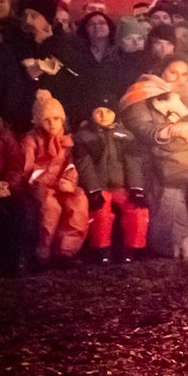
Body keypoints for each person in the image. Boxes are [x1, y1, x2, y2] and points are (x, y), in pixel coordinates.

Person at [120, 60, 188, 261]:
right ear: (161, 71)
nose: (179, 79)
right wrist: (173, 130)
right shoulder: (141, 95)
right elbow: (142, 129)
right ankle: (180, 243)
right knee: (172, 191)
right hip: (157, 160)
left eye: (185, 74)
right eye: (173, 73)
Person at [74, 105, 148, 264]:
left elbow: (133, 162)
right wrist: (93, 189)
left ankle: (132, 249)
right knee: (101, 212)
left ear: (115, 113)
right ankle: (103, 250)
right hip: (100, 186)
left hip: (121, 186)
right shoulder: (84, 136)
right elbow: (84, 164)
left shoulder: (126, 136)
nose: (103, 115)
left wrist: (136, 188)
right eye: (98, 111)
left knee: (138, 210)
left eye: (108, 111)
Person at [22, 90, 88, 267]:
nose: (52, 124)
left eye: (56, 119)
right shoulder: (31, 139)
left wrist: (69, 182)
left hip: (61, 184)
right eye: (46, 120)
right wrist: (51, 181)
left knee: (78, 201)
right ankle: (43, 253)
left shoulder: (66, 140)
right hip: (39, 184)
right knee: (51, 207)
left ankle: (65, 252)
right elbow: (28, 168)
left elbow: (70, 164)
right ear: (38, 121)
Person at [0, 86, 32, 276]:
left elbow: (16, 163)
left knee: (24, 206)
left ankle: (18, 258)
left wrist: (7, 184)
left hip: (5, 185)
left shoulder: (5, 134)